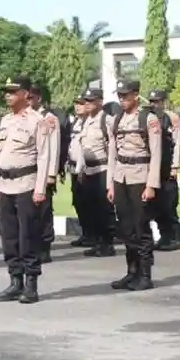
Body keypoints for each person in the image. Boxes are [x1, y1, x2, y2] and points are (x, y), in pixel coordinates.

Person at [0, 76, 51, 304]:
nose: (8, 95)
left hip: (27, 184)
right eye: (6, 91)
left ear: (26, 94)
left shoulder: (37, 121)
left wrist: (40, 188)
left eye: (13, 91)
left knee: (28, 236)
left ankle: (31, 284)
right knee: (9, 235)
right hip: (6, 184)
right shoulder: (5, 120)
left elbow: (44, 156)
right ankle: (15, 281)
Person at [107, 79, 162, 291]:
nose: (122, 99)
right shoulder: (117, 119)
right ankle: (132, 271)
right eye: (120, 96)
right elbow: (113, 152)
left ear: (136, 95)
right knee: (126, 227)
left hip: (141, 177)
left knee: (141, 227)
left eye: (126, 95)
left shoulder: (148, 119)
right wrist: (110, 183)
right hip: (121, 176)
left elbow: (156, 153)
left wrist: (151, 185)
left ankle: (145, 274)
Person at [69, 88, 116, 257]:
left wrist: (112, 175)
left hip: (103, 168)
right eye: (85, 101)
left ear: (99, 102)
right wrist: (81, 169)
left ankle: (107, 243)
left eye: (90, 101)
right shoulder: (85, 121)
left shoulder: (107, 120)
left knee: (104, 208)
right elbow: (82, 148)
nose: (87, 104)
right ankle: (97, 241)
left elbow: (112, 149)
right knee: (92, 208)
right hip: (88, 169)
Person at [147, 89, 180, 251]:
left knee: (169, 204)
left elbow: (178, 143)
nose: (155, 104)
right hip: (154, 168)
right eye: (152, 101)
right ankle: (163, 236)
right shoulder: (149, 118)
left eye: (158, 101)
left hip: (168, 167)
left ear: (164, 102)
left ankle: (172, 237)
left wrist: (175, 166)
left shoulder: (171, 118)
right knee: (157, 204)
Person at [30, 86, 62, 263]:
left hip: (44, 172)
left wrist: (51, 174)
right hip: (29, 172)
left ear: (39, 99)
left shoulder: (49, 119)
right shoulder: (27, 118)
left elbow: (54, 147)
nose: (29, 101)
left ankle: (44, 246)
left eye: (32, 98)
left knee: (44, 211)